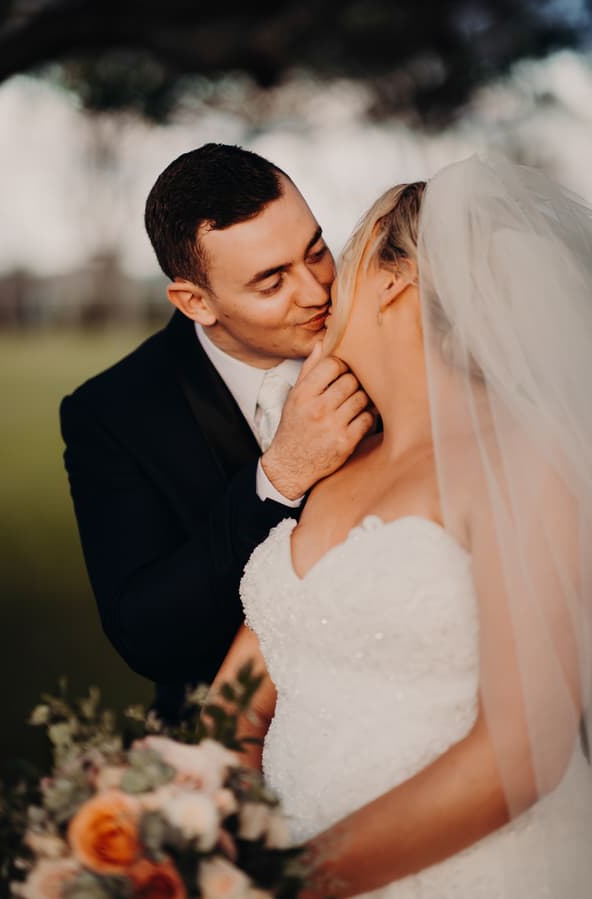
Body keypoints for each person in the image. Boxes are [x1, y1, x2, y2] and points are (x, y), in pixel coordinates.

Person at [215, 154, 592, 896]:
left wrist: (290, 879)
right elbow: (232, 711)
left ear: (396, 280)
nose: (323, 290)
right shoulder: (334, 459)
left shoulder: (524, 460)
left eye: (343, 258)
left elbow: (520, 753)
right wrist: (183, 832)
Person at [60, 143, 374, 721]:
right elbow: (147, 633)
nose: (316, 291)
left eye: (316, 251)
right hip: (229, 745)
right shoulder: (113, 413)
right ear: (195, 302)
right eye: (272, 281)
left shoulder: (388, 340)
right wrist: (280, 476)